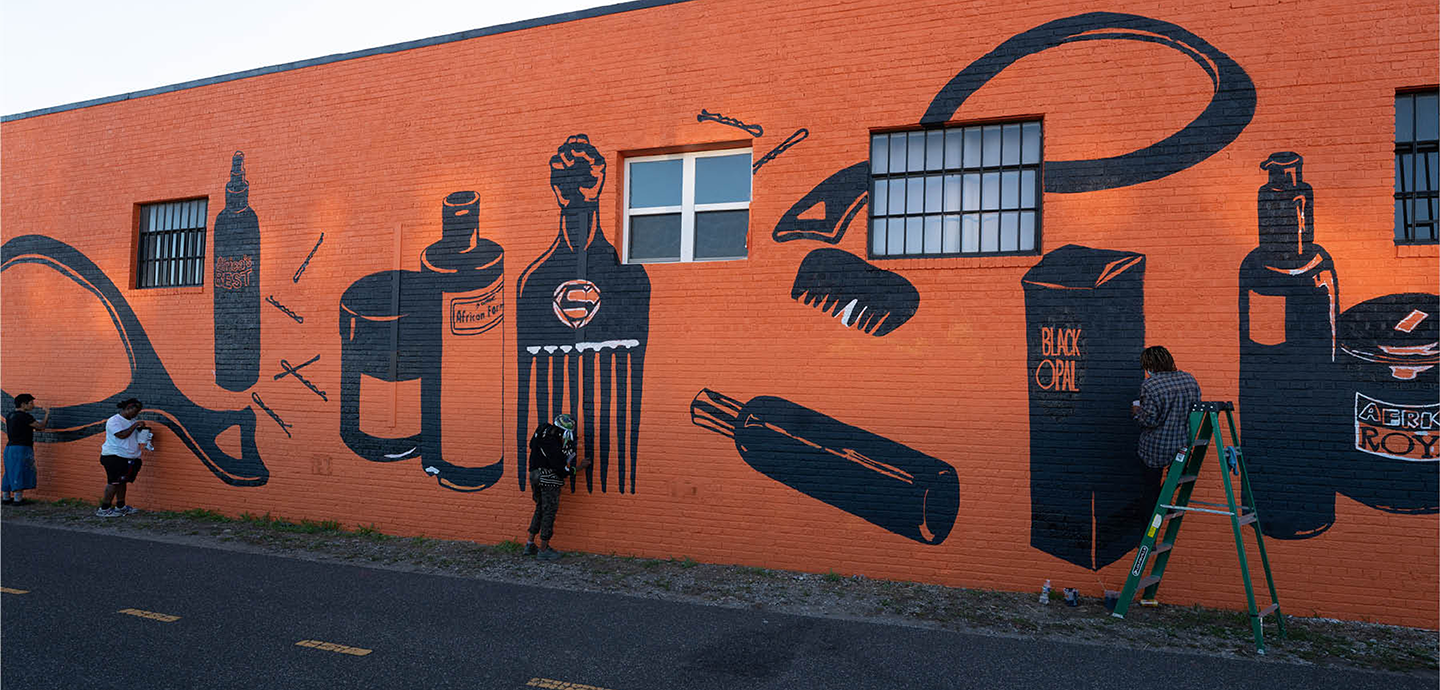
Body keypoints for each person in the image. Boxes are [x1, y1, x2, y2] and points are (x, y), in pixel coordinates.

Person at [525, 413, 590, 560]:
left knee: (540, 507)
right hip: (549, 478)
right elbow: (562, 469)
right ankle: (543, 549)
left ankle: (530, 544)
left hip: (534, 474)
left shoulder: (541, 431)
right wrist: (579, 467)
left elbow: (531, 446)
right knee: (549, 511)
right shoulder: (554, 443)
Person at [1131, 346, 1203, 470]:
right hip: (1183, 445)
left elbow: (1148, 420)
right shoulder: (1189, 379)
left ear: (1149, 365)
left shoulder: (1151, 385)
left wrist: (1136, 411)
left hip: (1156, 448)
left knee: (1149, 484)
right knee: (1171, 484)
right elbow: (1195, 410)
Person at [97, 398, 148, 517]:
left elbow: (133, 437)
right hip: (114, 456)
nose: (136, 414)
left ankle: (121, 507)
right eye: (135, 411)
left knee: (122, 482)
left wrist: (143, 431)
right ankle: (104, 509)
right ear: (128, 408)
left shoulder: (132, 421)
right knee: (113, 482)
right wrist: (135, 425)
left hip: (127, 457)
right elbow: (121, 435)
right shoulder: (114, 421)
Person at [4, 394, 50, 505]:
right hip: (21, 448)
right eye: (31, 403)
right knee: (20, 471)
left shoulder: (10, 415)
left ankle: (6, 497)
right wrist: (47, 414)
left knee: (9, 472)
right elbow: (41, 426)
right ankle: (17, 499)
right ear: (23, 404)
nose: (33, 405)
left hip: (9, 447)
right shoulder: (25, 416)